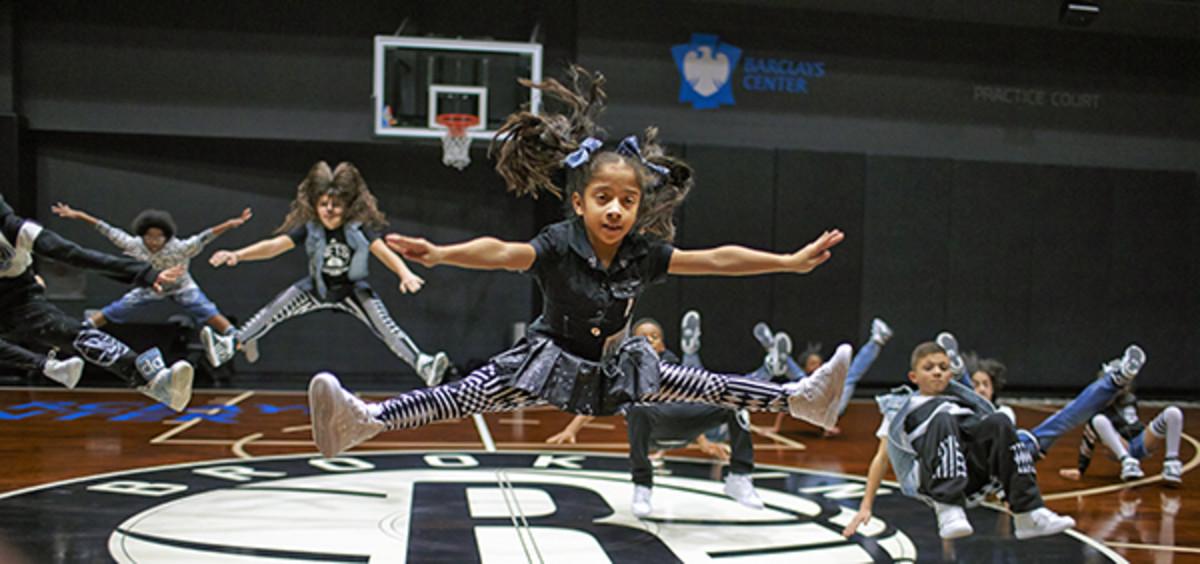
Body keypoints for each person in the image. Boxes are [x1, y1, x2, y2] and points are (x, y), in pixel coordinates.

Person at [307, 66, 852, 462]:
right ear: (579, 201)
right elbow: (504, 254)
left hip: (619, 367)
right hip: (549, 362)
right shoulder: (558, 242)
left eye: (628, 201)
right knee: (465, 395)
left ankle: (799, 400)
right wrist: (444, 254)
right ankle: (366, 420)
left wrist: (787, 260)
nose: (615, 208)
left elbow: (713, 260)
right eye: (603, 197)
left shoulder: (644, 251)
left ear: (640, 207)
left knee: (701, 383)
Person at [204, 161, 449, 386]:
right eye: (323, 204)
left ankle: (422, 364)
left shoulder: (357, 229)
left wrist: (404, 273)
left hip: (351, 289)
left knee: (386, 327)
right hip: (316, 288)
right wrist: (237, 254)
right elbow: (274, 246)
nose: (329, 210)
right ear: (315, 205)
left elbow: (383, 252)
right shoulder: (310, 229)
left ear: (348, 206)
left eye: (336, 205)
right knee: (272, 311)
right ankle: (228, 345)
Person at [842, 341, 1075, 541]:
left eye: (943, 368)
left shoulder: (961, 403)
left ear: (950, 374)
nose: (937, 372)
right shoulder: (899, 408)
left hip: (971, 473)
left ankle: (1028, 514)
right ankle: (948, 509)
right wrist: (865, 506)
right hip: (931, 478)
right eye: (929, 367)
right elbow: (882, 458)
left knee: (1001, 421)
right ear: (913, 377)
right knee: (943, 418)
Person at [546, 314, 761, 517]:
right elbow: (599, 401)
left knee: (736, 405)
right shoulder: (622, 370)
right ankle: (642, 485)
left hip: (682, 428)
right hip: (653, 433)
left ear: (662, 346)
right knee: (638, 404)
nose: (649, 339)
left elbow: (685, 405)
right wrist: (571, 430)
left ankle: (739, 476)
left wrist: (702, 441)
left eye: (654, 337)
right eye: (642, 337)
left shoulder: (670, 364)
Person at [0, 193, 193, 410]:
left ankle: (155, 381)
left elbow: (74, 254)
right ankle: (48, 367)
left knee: (74, 332)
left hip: (20, 299)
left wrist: (143, 273)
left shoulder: (15, 229)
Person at [50, 203, 250, 340]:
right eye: (149, 238)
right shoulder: (135, 245)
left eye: (158, 239)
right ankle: (83, 328)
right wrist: (79, 215)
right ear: (142, 236)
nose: (154, 243)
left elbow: (206, 237)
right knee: (121, 307)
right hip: (153, 286)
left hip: (181, 285)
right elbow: (106, 229)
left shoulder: (180, 247)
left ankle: (235, 335)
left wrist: (229, 225)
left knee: (204, 308)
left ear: (167, 237)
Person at [939, 331, 1146, 461]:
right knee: (972, 407)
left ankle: (1115, 380)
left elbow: (1005, 449)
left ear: (995, 388)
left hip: (1009, 452)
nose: (982, 388)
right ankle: (958, 373)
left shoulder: (1005, 412)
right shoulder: (960, 410)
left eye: (986, 384)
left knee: (1067, 417)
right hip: (971, 456)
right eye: (976, 384)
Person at [750, 318, 892, 436]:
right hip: (810, 398)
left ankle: (877, 341)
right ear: (806, 368)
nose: (817, 366)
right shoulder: (803, 380)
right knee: (800, 380)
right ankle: (772, 348)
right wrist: (776, 428)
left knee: (848, 376)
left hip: (830, 403)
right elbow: (785, 405)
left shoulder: (825, 377)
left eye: (819, 363)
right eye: (812, 364)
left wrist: (828, 427)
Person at [1059, 376, 1183, 486]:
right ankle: (1128, 463)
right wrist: (1081, 469)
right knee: (1098, 420)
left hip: (1142, 440)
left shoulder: (1129, 399)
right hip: (1122, 446)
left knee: (1173, 412)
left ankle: (1172, 463)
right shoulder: (1097, 408)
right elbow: (1088, 438)